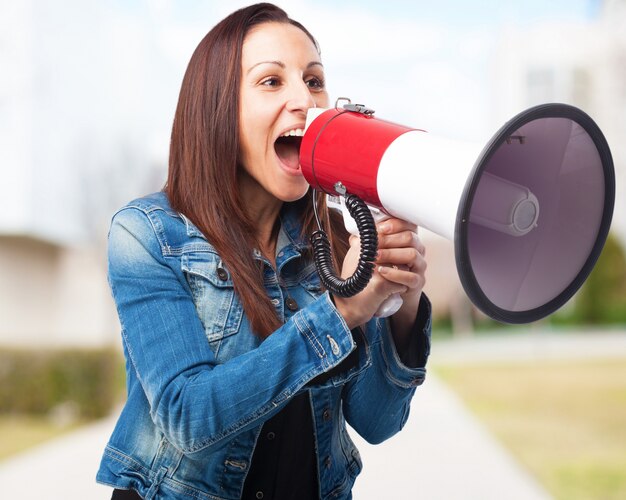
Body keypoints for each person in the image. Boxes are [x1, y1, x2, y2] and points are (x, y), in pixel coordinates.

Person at [96, 3, 431, 499]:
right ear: (217, 108)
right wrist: (339, 314)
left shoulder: (336, 240)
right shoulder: (146, 235)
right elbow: (189, 418)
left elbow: (378, 421)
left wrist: (401, 307)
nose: (304, 100)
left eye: (314, 81)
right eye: (271, 82)